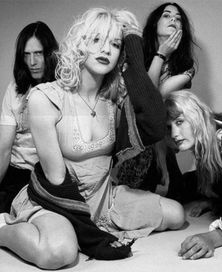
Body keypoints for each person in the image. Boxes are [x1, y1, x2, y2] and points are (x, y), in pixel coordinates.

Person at [0, 8, 185, 269]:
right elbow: (56, 179)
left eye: (115, 43)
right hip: (57, 199)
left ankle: (83, 228)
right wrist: (94, 237)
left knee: (176, 214)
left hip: (104, 196)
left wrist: (132, 39)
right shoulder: (46, 97)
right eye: (96, 39)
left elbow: (154, 125)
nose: (105, 49)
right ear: (80, 44)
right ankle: (2, 229)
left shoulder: (114, 101)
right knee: (59, 254)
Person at [117, 2, 196, 191]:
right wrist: (160, 54)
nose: (173, 21)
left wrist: (161, 55)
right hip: (134, 130)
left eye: (178, 19)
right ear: (155, 24)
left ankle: (176, 181)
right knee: (136, 191)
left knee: (175, 192)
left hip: (162, 131)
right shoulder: (136, 52)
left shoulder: (186, 66)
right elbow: (143, 100)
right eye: (167, 16)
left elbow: (152, 97)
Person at [0, 21, 58, 212]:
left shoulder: (63, 88)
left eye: (38, 53)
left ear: (49, 53)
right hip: (16, 172)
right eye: (26, 55)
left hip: (49, 173)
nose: (32, 62)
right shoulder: (14, 89)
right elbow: (4, 149)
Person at [165, 90, 222, 217]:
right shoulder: (207, 131)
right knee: (186, 183)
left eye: (179, 122)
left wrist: (212, 204)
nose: (174, 134)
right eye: (169, 127)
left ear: (195, 117)